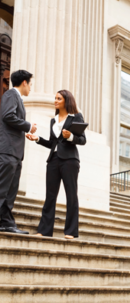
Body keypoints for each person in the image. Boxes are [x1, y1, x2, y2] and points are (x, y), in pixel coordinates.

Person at [26, 90, 86, 239]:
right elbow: (53, 143)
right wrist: (37, 138)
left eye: (59, 98)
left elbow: (83, 140)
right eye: (55, 98)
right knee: (50, 196)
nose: (55, 101)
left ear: (67, 100)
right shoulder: (54, 120)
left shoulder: (76, 116)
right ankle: (44, 230)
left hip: (70, 161)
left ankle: (71, 231)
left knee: (71, 195)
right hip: (53, 159)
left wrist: (71, 136)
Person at [0, 70, 37, 234]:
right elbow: (8, 116)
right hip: (8, 150)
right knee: (2, 189)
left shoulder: (17, 99)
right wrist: (28, 126)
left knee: (9, 192)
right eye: (30, 84)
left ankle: (6, 223)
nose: (30, 87)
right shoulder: (11, 95)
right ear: (24, 82)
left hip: (15, 152)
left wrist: (24, 131)